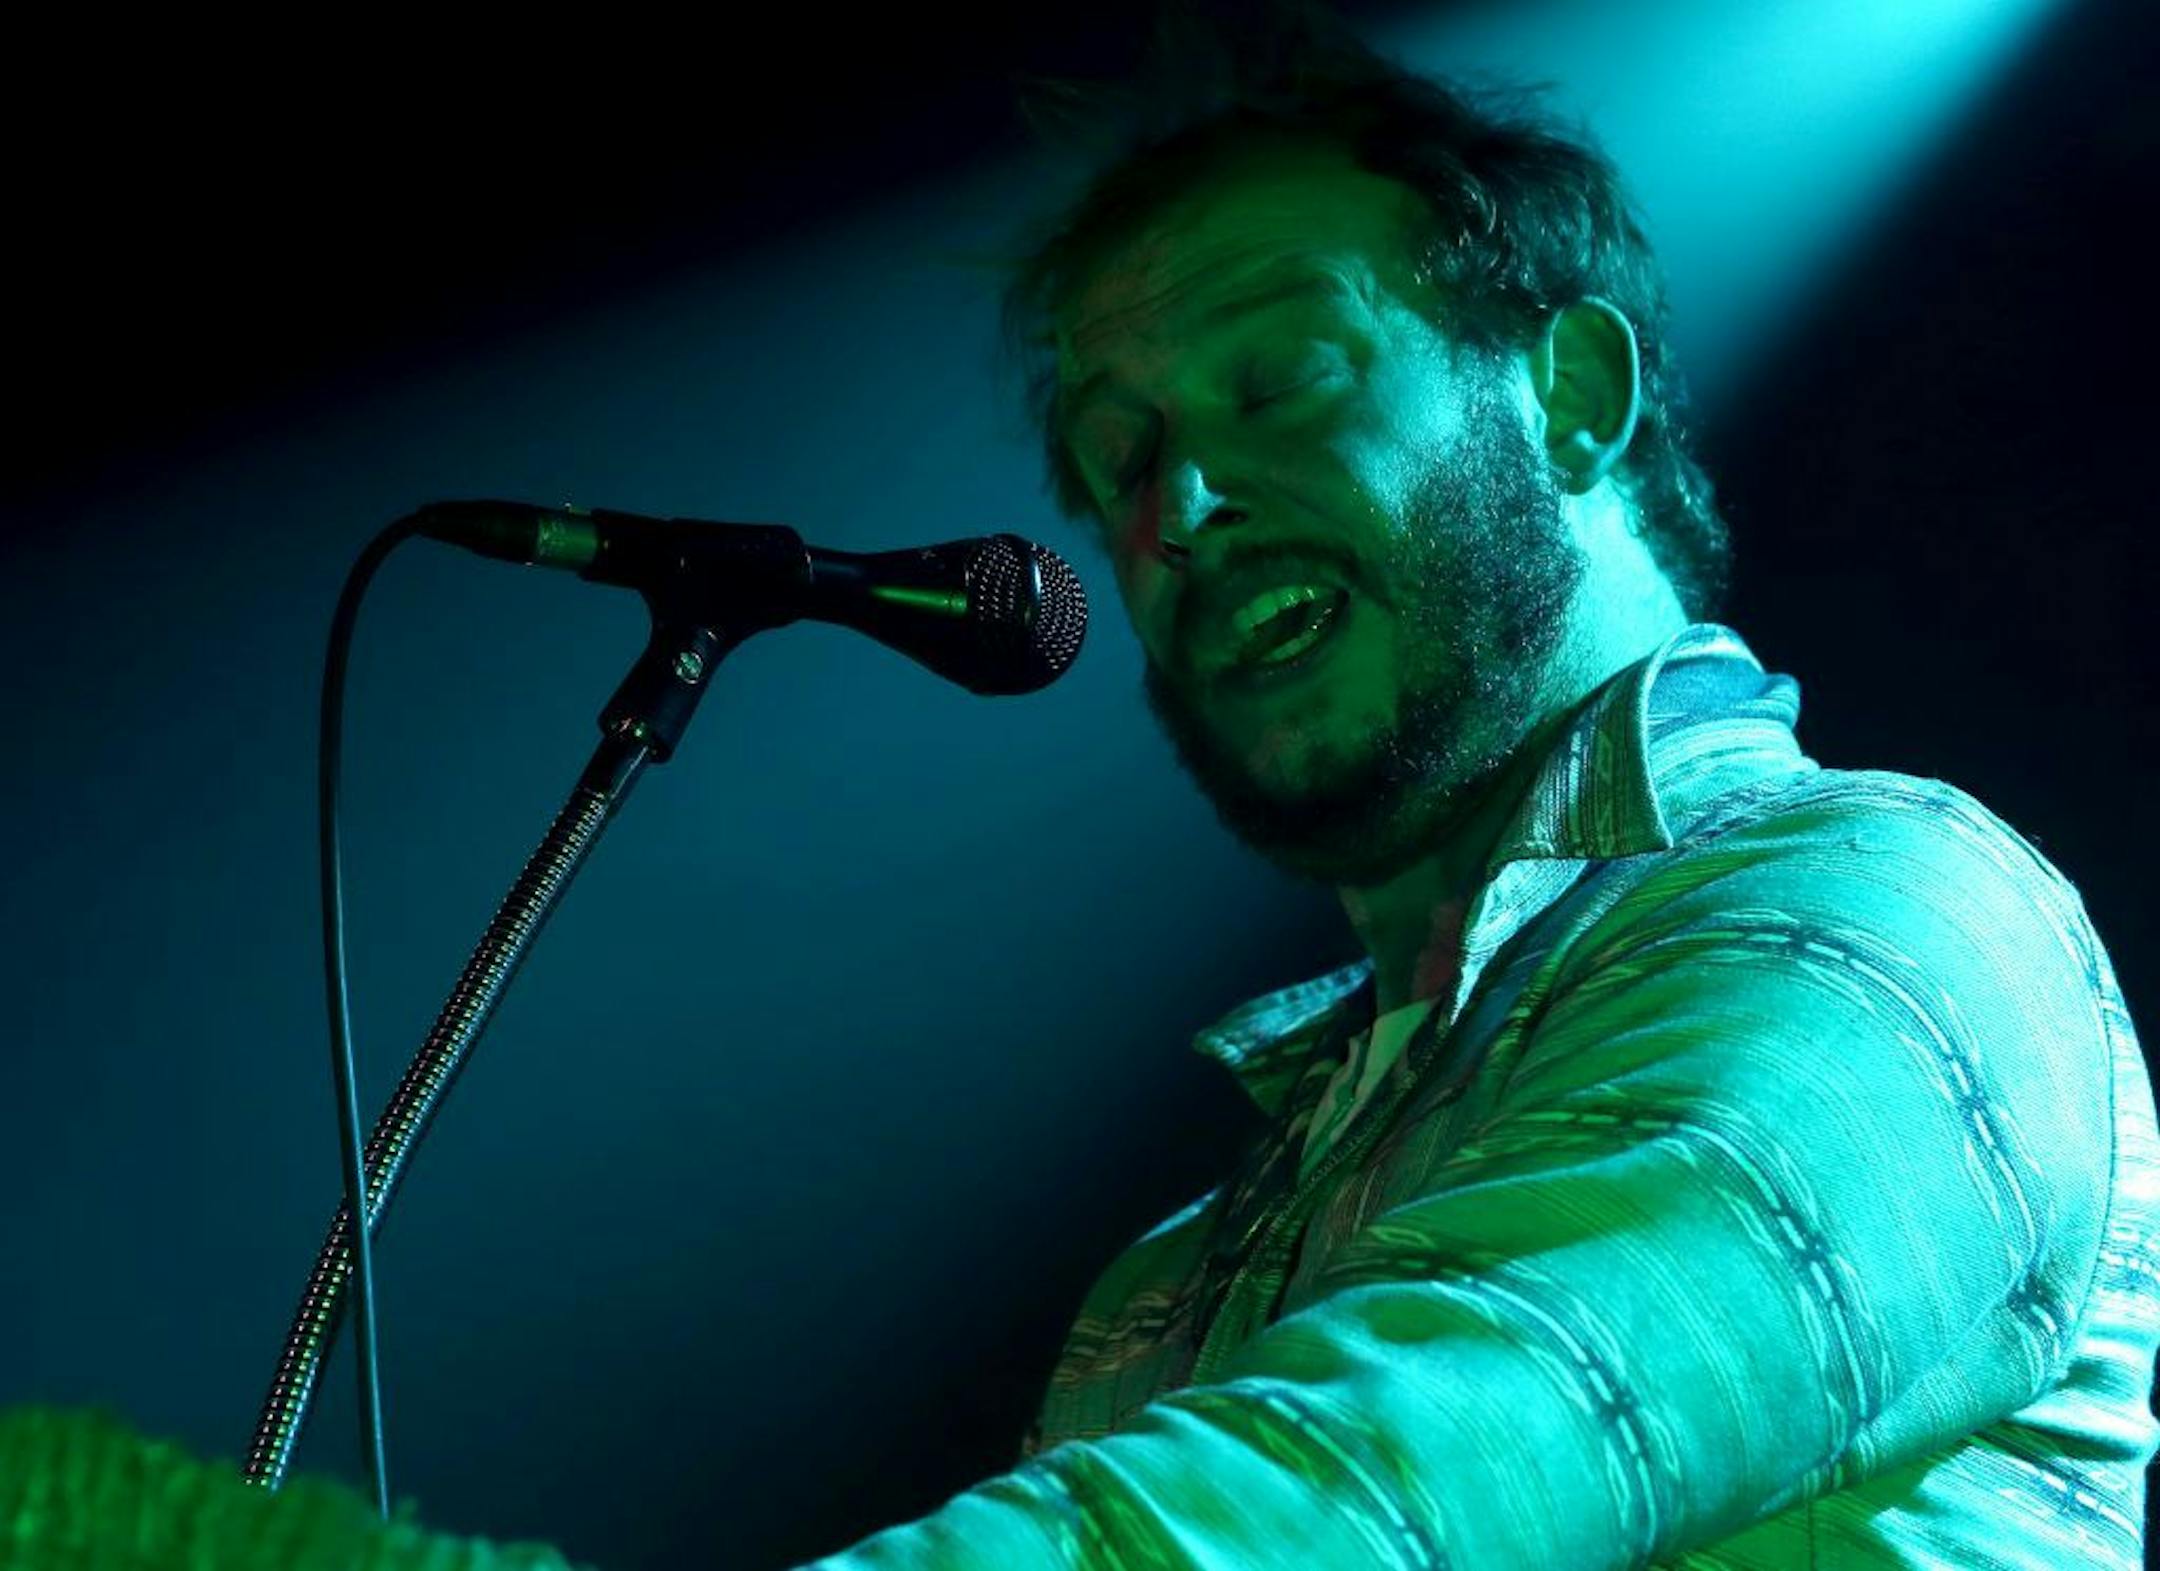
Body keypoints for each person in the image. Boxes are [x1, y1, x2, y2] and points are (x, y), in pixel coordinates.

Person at [3, 15, 2153, 1571]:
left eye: (1277, 376)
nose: (1182, 500)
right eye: (1117, 458)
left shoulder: (1876, 920)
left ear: (1575, 396)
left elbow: (1355, 1506)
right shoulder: (1184, 1269)